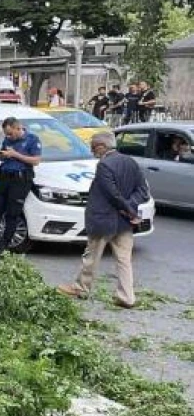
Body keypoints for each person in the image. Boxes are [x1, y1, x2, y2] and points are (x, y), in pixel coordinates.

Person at [57, 131, 149, 308]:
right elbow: (142, 190)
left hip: (104, 220)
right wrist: (131, 207)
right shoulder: (131, 162)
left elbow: (112, 194)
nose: (93, 152)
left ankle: (81, 288)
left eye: (93, 148)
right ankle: (127, 296)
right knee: (124, 259)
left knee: (91, 256)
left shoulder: (104, 165)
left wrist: (127, 209)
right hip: (124, 223)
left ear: (101, 146)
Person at [0, 117, 42, 260]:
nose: (8, 137)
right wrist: (3, 155)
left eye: (10, 134)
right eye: (6, 134)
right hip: (5, 177)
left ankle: (1, 248)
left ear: (18, 128)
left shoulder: (32, 139)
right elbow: (5, 156)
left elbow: (36, 160)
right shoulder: (7, 140)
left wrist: (15, 154)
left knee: (12, 214)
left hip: (20, 180)